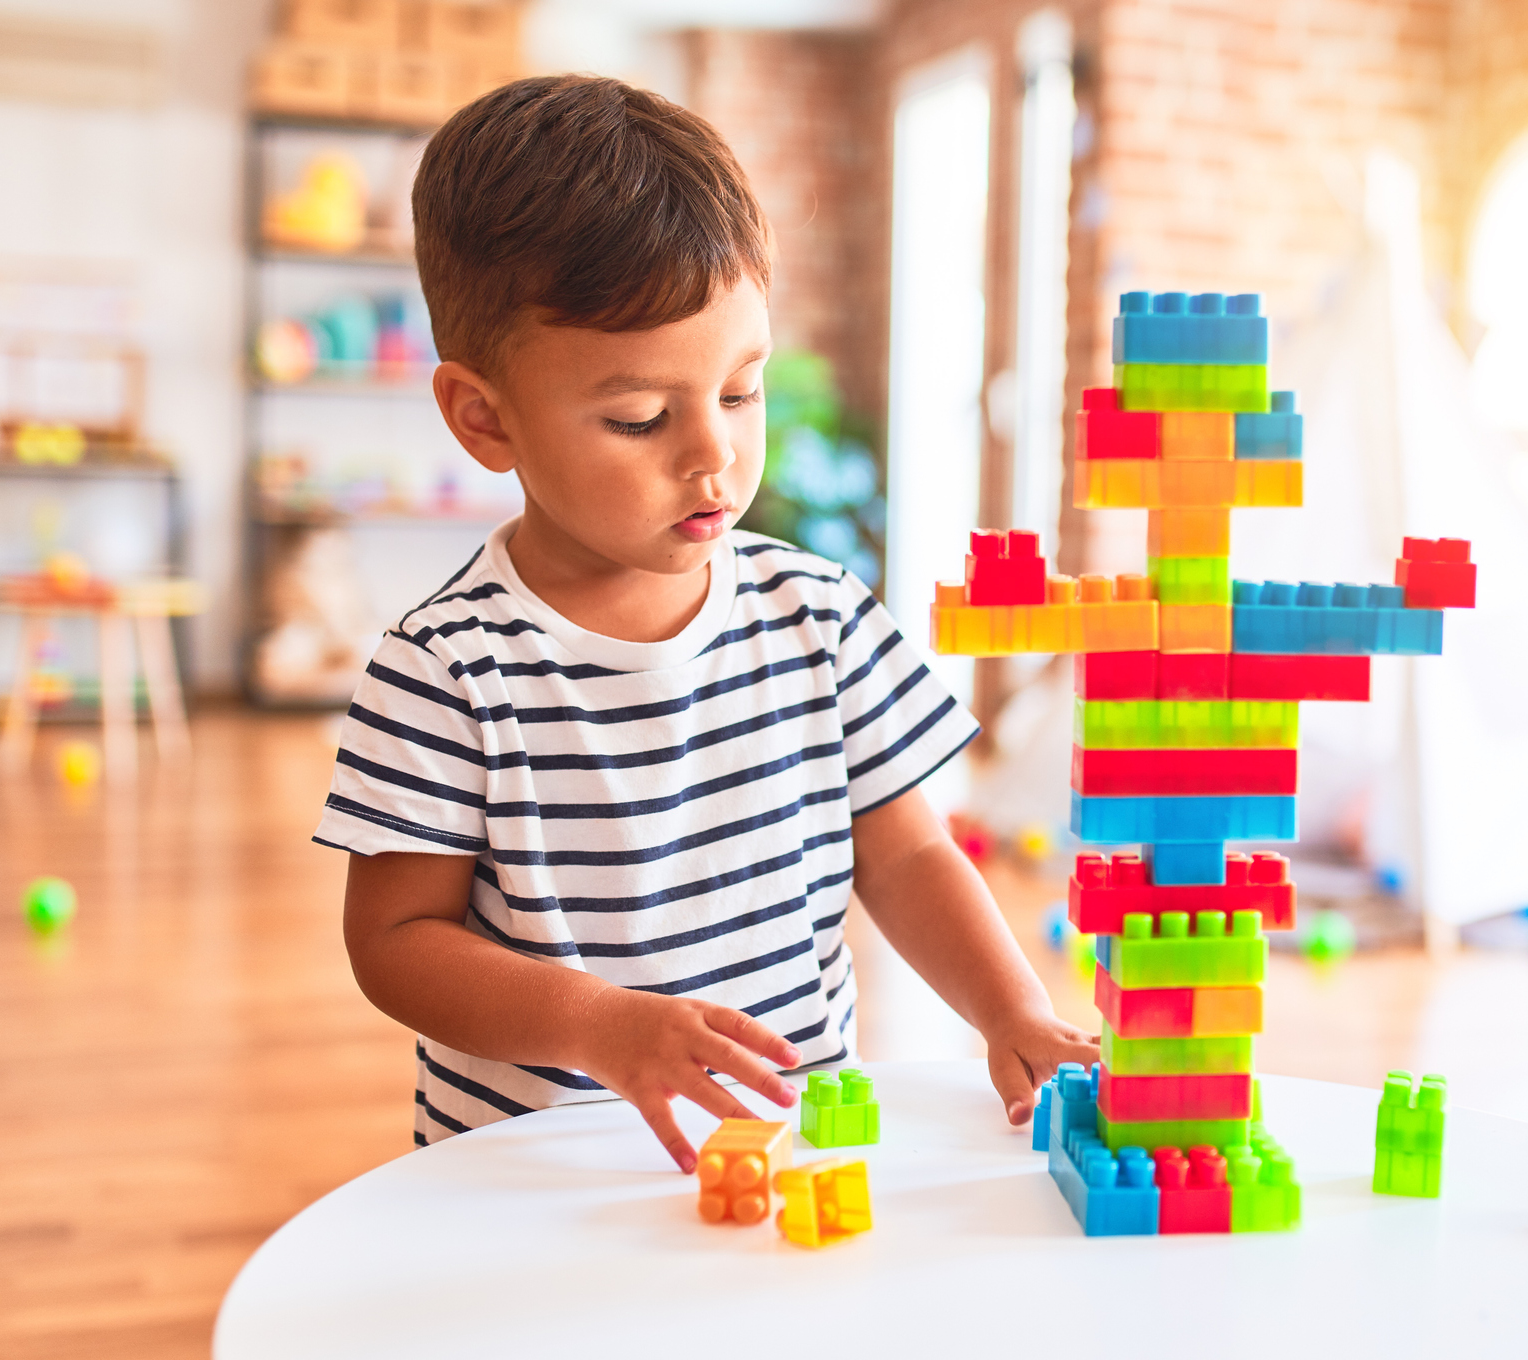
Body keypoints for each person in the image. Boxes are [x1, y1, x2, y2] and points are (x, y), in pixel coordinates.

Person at [320, 75, 1095, 1169]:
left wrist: (1011, 1008)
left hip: (785, 1144)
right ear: (483, 417)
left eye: (740, 392)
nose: (714, 455)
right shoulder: (447, 668)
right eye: (640, 417)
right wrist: (597, 1022)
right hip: (535, 1173)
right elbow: (394, 945)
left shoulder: (818, 615)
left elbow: (911, 852)